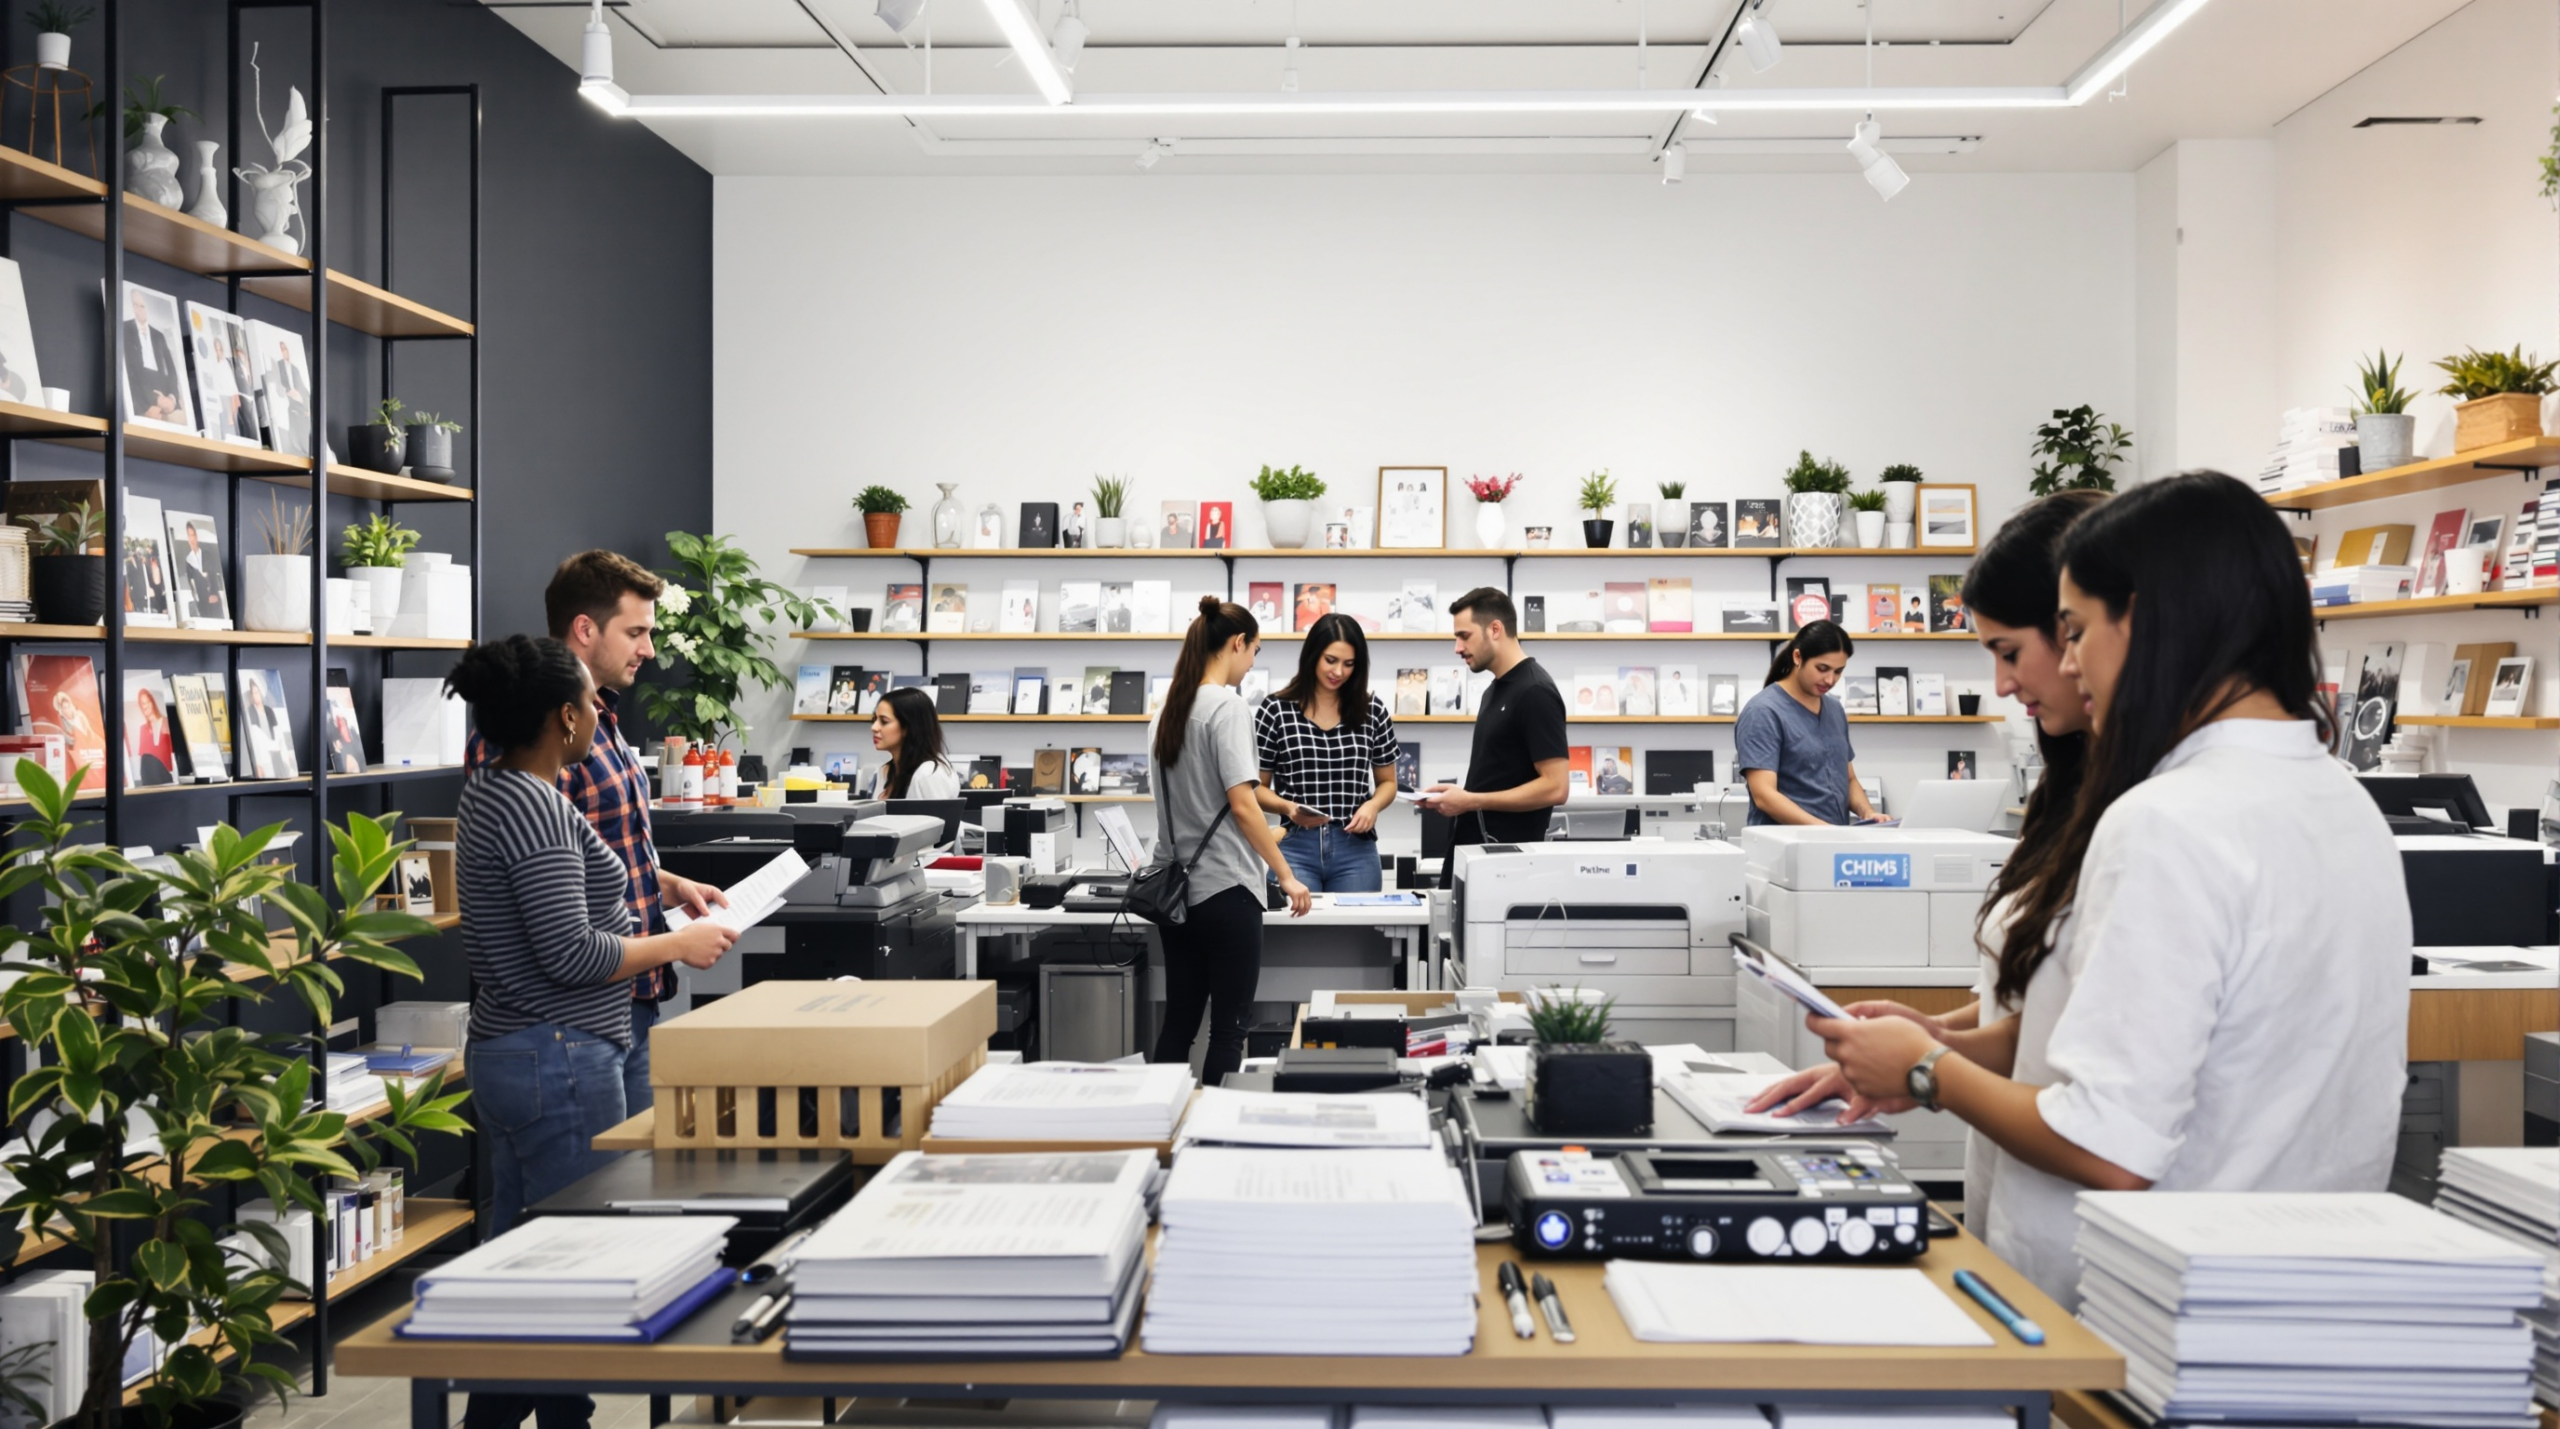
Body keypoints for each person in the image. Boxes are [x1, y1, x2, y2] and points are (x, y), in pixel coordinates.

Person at [1761, 472, 2409, 1310]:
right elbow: (2152, 1027)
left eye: (2073, 631)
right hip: (2292, 1300)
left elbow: (2109, 1144)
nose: (2065, 663)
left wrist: (1927, 1069)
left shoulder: (2170, 819)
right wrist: (1944, 1045)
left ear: (2142, 617)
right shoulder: (2346, 805)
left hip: (2146, 1306)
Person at [1753, 488, 2108, 1235]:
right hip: (2032, 1217)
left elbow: (2108, 1118)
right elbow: (2053, 1007)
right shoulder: (1764, 709)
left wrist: (1928, 1060)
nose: (2006, 685)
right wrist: (1936, 1044)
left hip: (2094, 1241)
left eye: (2014, 652)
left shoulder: (2149, 817)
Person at [448, 636, 739, 1429]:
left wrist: (666, 894)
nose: (597, 715)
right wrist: (678, 944)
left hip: (523, 1051)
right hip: (559, 1053)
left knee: (523, 1271)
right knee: (567, 1270)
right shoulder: (537, 804)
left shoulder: (494, 789)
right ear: (563, 716)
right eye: (587, 702)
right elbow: (572, 952)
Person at [467, 550, 730, 1117]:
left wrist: (665, 885)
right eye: (636, 632)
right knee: (593, 1199)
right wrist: (680, 944)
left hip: (622, 1004)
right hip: (565, 1020)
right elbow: (549, 904)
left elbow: (574, 861)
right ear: (584, 629)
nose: (649, 650)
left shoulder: (598, 721)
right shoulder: (530, 738)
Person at [1147, 596, 1310, 1085]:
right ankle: (1212, 1134)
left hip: (1177, 896)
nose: (1252, 663)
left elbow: (1202, 807)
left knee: (1179, 1023)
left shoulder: (1167, 711)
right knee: (1228, 1031)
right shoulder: (1228, 708)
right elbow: (1242, 805)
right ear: (1238, 643)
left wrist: (1277, 823)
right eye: (1254, 651)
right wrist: (1285, 873)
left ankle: (1162, 1125)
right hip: (1227, 891)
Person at [1254, 612, 1398, 893]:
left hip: (1355, 849)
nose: (1339, 672)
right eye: (1330, 660)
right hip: (1294, 846)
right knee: (1295, 935)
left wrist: (1372, 805)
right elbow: (1256, 789)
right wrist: (1288, 807)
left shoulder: (1373, 710)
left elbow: (1388, 783)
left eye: (1349, 664)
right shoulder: (1276, 710)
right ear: (1313, 656)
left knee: (1358, 936)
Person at [1420, 588, 1567, 853]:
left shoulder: (1535, 691)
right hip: (1476, 851)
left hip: (1507, 863)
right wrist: (1461, 797)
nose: (1457, 648)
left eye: (1464, 636)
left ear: (1495, 629)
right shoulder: (1494, 690)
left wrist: (1471, 800)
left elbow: (1556, 787)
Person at [1735, 620, 1880, 825]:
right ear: (1797, 657)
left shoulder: (1835, 710)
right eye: (1822, 668)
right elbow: (1765, 796)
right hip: (1784, 848)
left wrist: (1868, 813)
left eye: (1838, 671)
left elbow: (1848, 779)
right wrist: (1825, 831)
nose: (1830, 680)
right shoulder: (1763, 712)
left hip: (1832, 846)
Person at [869, 686, 961, 798]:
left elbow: (937, 815)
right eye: (874, 720)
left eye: (884, 721)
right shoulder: (885, 771)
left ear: (909, 726)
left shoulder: (929, 774)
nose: (874, 727)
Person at [120, 289, 183, 424]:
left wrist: (171, 399)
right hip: (141, 397)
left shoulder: (158, 335)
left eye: (142, 306)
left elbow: (172, 370)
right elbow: (126, 375)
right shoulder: (122, 329)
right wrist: (145, 408)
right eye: (135, 305)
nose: (139, 309)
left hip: (163, 394)